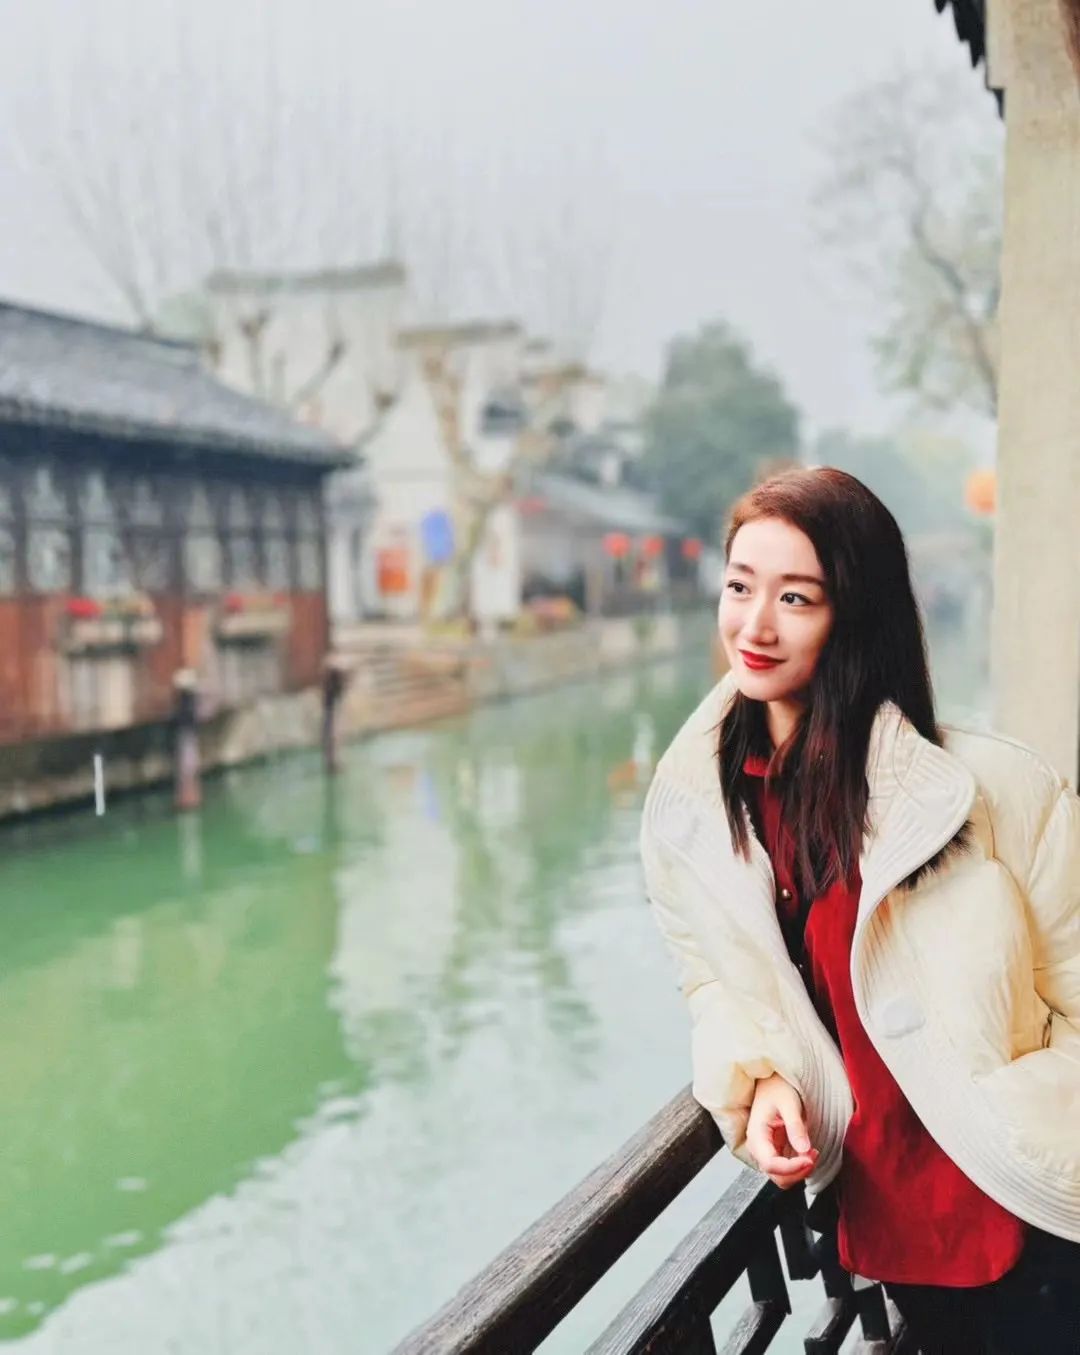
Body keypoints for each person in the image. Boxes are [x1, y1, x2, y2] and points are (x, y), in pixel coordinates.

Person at [639, 468, 1080, 1354]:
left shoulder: (999, 791)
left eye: (795, 597)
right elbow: (712, 979)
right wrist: (761, 1076)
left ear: (856, 613)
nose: (755, 626)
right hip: (891, 1231)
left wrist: (1013, 1125)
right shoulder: (694, 816)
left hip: (1038, 1217)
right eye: (739, 587)